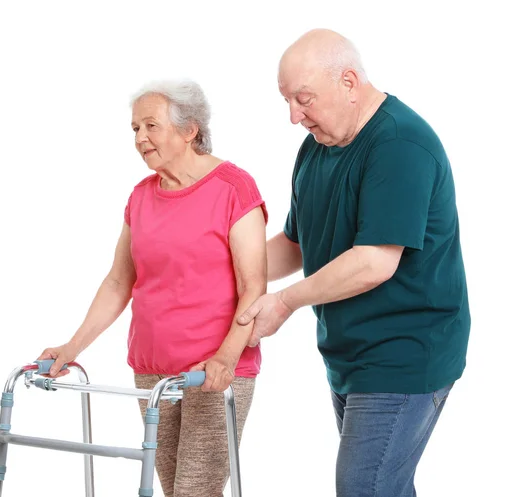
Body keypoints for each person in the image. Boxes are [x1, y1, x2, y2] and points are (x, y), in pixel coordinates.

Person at [237, 29, 470, 497]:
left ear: (348, 81)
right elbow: (297, 243)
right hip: (349, 355)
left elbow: (373, 262)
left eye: (303, 100)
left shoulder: (400, 145)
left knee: (364, 487)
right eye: (286, 101)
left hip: (407, 352)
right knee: (383, 486)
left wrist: (284, 302)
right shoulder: (316, 147)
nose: (293, 116)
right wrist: (223, 265)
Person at [38, 79, 268, 497]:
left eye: (150, 126)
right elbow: (118, 281)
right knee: (170, 490)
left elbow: (253, 286)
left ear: (189, 129)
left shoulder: (233, 188)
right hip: (152, 372)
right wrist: (71, 348)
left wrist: (226, 357)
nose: (140, 138)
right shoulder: (141, 197)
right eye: (134, 129)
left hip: (212, 373)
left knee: (194, 492)